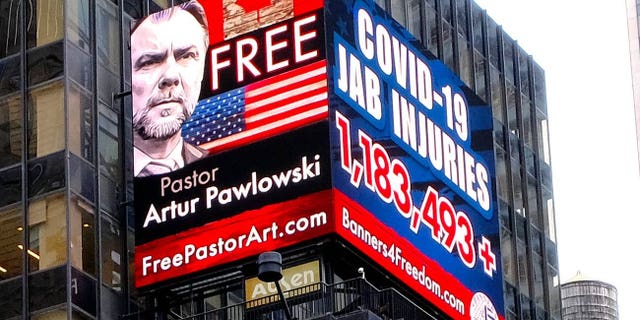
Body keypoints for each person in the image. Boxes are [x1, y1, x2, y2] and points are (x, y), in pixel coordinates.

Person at [130, 1, 209, 177]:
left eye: (187, 56)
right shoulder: (100, 178)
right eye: (149, 62)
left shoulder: (217, 170)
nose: (171, 76)